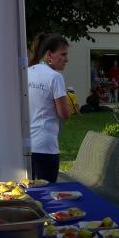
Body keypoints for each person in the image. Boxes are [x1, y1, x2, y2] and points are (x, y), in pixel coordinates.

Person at [27, 32, 70, 182]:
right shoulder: (55, 77)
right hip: (46, 145)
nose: (66, 59)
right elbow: (64, 114)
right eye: (63, 54)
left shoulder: (27, 72)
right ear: (49, 55)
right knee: (48, 191)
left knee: (28, 191)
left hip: (26, 145)